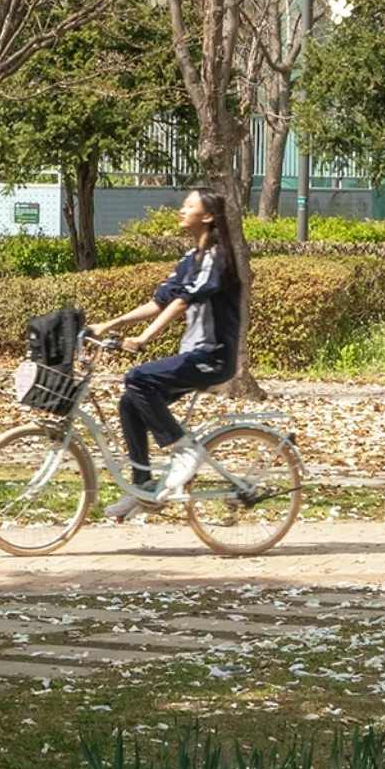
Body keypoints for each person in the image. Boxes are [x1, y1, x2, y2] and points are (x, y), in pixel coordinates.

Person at [86, 187, 241, 521]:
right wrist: (110, 324)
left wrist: (142, 338)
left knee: (136, 378)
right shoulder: (190, 259)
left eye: (189, 205)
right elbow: (160, 301)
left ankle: (185, 451)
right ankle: (143, 487)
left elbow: (183, 302)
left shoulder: (218, 256)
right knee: (130, 401)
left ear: (208, 216)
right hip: (194, 354)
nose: (181, 210)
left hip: (213, 356)